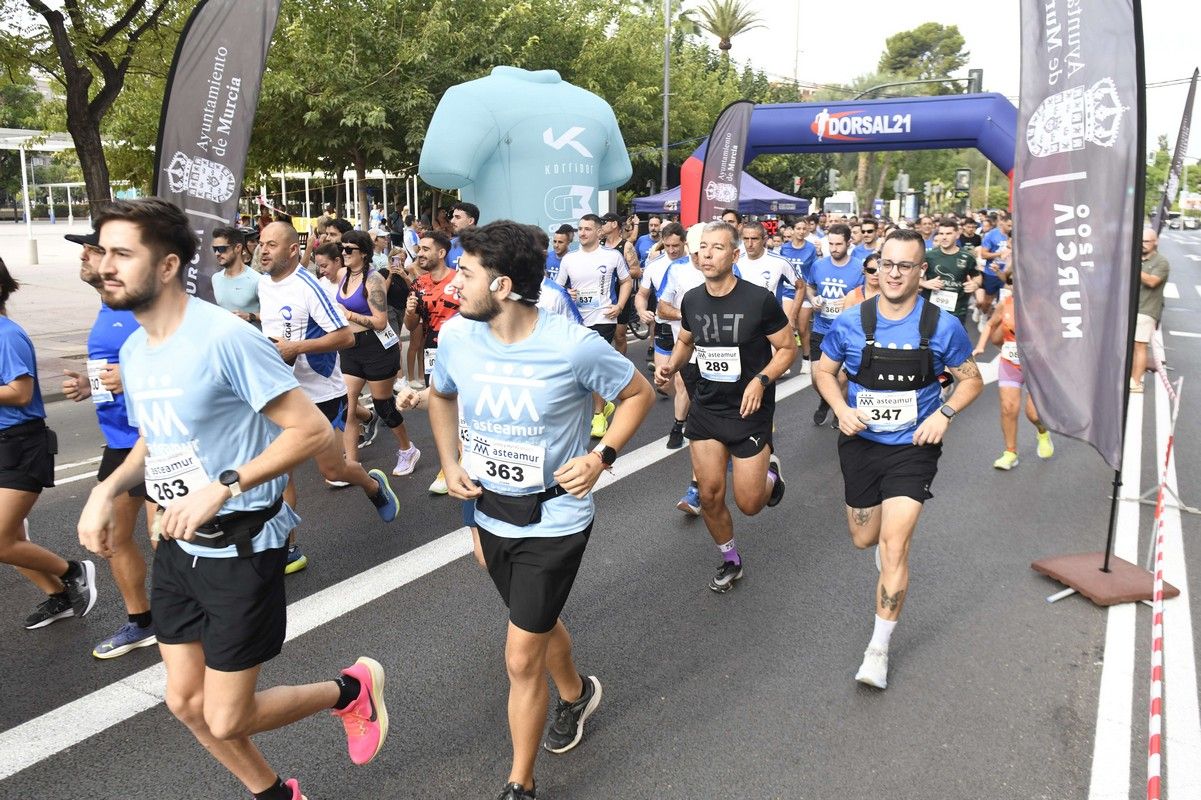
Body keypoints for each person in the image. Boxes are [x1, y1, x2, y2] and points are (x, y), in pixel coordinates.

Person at [80, 198, 389, 800]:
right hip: (178, 546)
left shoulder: (225, 338)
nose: (104, 265)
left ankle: (350, 691)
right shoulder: (136, 350)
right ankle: (276, 794)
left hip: (242, 545)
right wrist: (106, 488)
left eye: (121, 253)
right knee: (183, 702)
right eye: (101, 252)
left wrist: (223, 486)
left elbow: (312, 431)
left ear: (167, 265)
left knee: (225, 716)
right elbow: (155, 438)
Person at [428, 220, 654, 800]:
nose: (454, 284)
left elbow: (639, 393)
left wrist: (601, 456)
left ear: (502, 285)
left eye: (466, 274)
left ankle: (520, 784)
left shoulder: (572, 345)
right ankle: (577, 694)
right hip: (488, 510)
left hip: (555, 519)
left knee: (520, 655)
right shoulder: (456, 337)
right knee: (536, 618)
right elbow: (442, 394)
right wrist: (449, 463)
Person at [813, 229, 983, 690]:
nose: (893, 273)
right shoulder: (852, 321)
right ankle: (885, 547)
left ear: (920, 271)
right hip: (861, 443)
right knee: (863, 538)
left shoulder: (941, 326)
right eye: (886, 264)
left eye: (905, 266)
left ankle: (878, 650)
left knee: (895, 546)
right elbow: (824, 370)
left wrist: (945, 414)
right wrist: (841, 408)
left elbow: (971, 379)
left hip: (914, 448)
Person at [655, 222, 795, 592]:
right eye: (703, 247)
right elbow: (686, 340)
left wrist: (760, 380)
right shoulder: (692, 299)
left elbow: (787, 348)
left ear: (734, 255)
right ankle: (731, 559)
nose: (707, 254)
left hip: (749, 411)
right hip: (707, 407)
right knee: (709, 494)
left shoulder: (758, 300)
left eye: (717, 247)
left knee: (749, 503)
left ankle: (770, 475)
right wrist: (671, 365)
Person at [257, 221, 402, 573]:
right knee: (279, 473)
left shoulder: (309, 286)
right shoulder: (263, 284)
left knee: (333, 469)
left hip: (320, 392)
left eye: (271, 244)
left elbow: (345, 337)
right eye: (261, 243)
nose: (262, 250)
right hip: (280, 392)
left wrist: (297, 347)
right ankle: (289, 547)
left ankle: (372, 485)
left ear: (293, 250)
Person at [60, 230, 157, 656]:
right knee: (112, 537)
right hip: (119, 442)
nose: (84, 254)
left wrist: (131, 378)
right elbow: (116, 368)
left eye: (93, 248)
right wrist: (91, 385)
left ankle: (202, 615)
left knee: (168, 539)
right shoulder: (107, 307)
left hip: (156, 439)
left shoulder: (143, 307)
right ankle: (142, 621)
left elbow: (181, 361)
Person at [1, 256, 97, 629]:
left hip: (21, 445)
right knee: (10, 539)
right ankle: (60, 597)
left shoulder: (6, 335)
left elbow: (21, 393)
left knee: (2, 540)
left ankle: (73, 571)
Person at [333, 230, 421, 477]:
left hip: (377, 348)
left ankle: (407, 449)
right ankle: (352, 465)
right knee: (347, 406)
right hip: (350, 347)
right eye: (341, 248)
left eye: (349, 249)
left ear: (363, 253)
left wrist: (348, 314)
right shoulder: (342, 275)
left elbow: (381, 322)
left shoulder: (373, 281)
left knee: (384, 406)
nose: (343, 253)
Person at [553, 213, 631, 438]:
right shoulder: (569, 259)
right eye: (580, 229)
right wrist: (567, 293)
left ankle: (598, 415)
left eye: (587, 229)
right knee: (577, 366)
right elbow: (557, 288)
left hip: (603, 317)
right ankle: (602, 405)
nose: (582, 233)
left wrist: (619, 305)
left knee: (593, 364)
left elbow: (626, 281)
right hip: (577, 319)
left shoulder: (612, 256)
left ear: (598, 232)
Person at [973, 282, 1054, 469]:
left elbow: (1057, 334)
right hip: (1010, 362)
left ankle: (1042, 432)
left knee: (1033, 413)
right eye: (1013, 283)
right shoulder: (1007, 303)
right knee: (1008, 408)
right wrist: (980, 347)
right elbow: (991, 324)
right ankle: (1010, 453)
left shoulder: (1045, 305)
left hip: (1037, 367)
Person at [404, 229, 461, 494]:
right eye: (419, 249)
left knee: (463, 405)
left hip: (461, 350)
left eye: (426, 249)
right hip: (432, 351)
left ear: (442, 252)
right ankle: (448, 464)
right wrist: (409, 312)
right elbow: (411, 325)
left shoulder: (460, 279)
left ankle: (464, 458)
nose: (420, 254)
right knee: (438, 406)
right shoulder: (418, 284)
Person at [636, 222, 691, 447]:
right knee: (663, 382)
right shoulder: (655, 266)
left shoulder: (694, 264)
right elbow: (641, 294)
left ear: (684, 243)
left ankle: (678, 427)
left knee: (681, 381)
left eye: (676, 245)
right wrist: (641, 311)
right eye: (667, 246)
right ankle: (688, 406)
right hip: (664, 326)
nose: (672, 250)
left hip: (687, 328)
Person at [807, 223, 864, 426]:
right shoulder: (818, 265)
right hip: (821, 328)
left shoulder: (859, 267)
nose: (834, 248)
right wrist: (813, 299)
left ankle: (840, 412)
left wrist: (850, 301)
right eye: (830, 244)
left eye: (838, 244)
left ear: (848, 243)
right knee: (816, 379)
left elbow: (868, 296)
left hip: (846, 331)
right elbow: (810, 287)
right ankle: (826, 399)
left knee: (841, 378)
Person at [919, 218, 981, 330]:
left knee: (954, 339)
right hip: (931, 308)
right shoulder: (928, 256)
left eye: (948, 234)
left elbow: (977, 276)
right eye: (941, 233)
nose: (944, 237)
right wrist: (924, 283)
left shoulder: (967, 257)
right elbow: (912, 277)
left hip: (957, 310)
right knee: (928, 338)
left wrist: (975, 284)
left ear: (957, 235)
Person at [1132, 228, 1171, 393]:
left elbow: (1152, 281)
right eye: (1141, 241)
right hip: (1130, 309)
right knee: (1129, 346)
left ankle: (1136, 383)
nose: (1143, 244)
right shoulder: (1135, 257)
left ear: (1156, 242)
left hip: (1146, 310)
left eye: (1147, 241)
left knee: (1140, 345)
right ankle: (1129, 378)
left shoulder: (1161, 262)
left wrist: (1133, 266)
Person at [601, 211, 642, 357]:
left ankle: (621, 363)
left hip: (620, 295)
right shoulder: (599, 244)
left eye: (604, 222)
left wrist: (618, 273)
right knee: (601, 337)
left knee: (619, 335)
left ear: (614, 224)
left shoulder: (626, 246)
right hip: (602, 295)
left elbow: (636, 271)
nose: (601, 225)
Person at [209, 226, 261, 325]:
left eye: (221, 249)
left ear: (238, 248)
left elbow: (273, 316)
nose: (217, 253)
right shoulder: (216, 278)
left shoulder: (257, 280)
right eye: (214, 249)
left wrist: (250, 316)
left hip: (251, 334)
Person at [447, 201, 478, 269]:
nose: (452, 221)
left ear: (470, 221)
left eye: (457, 217)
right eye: (453, 217)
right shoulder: (449, 245)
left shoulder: (486, 245)